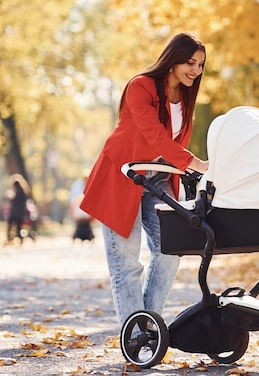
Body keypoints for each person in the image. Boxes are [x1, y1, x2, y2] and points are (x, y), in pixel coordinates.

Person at [79, 33, 209, 329]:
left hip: (159, 178)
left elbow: (170, 142)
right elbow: (154, 135)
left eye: (200, 65)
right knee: (126, 263)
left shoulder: (185, 97)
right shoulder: (141, 86)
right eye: (190, 62)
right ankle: (136, 336)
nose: (196, 70)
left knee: (171, 249)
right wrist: (196, 163)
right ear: (173, 58)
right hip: (122, 176)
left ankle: (148, 326)